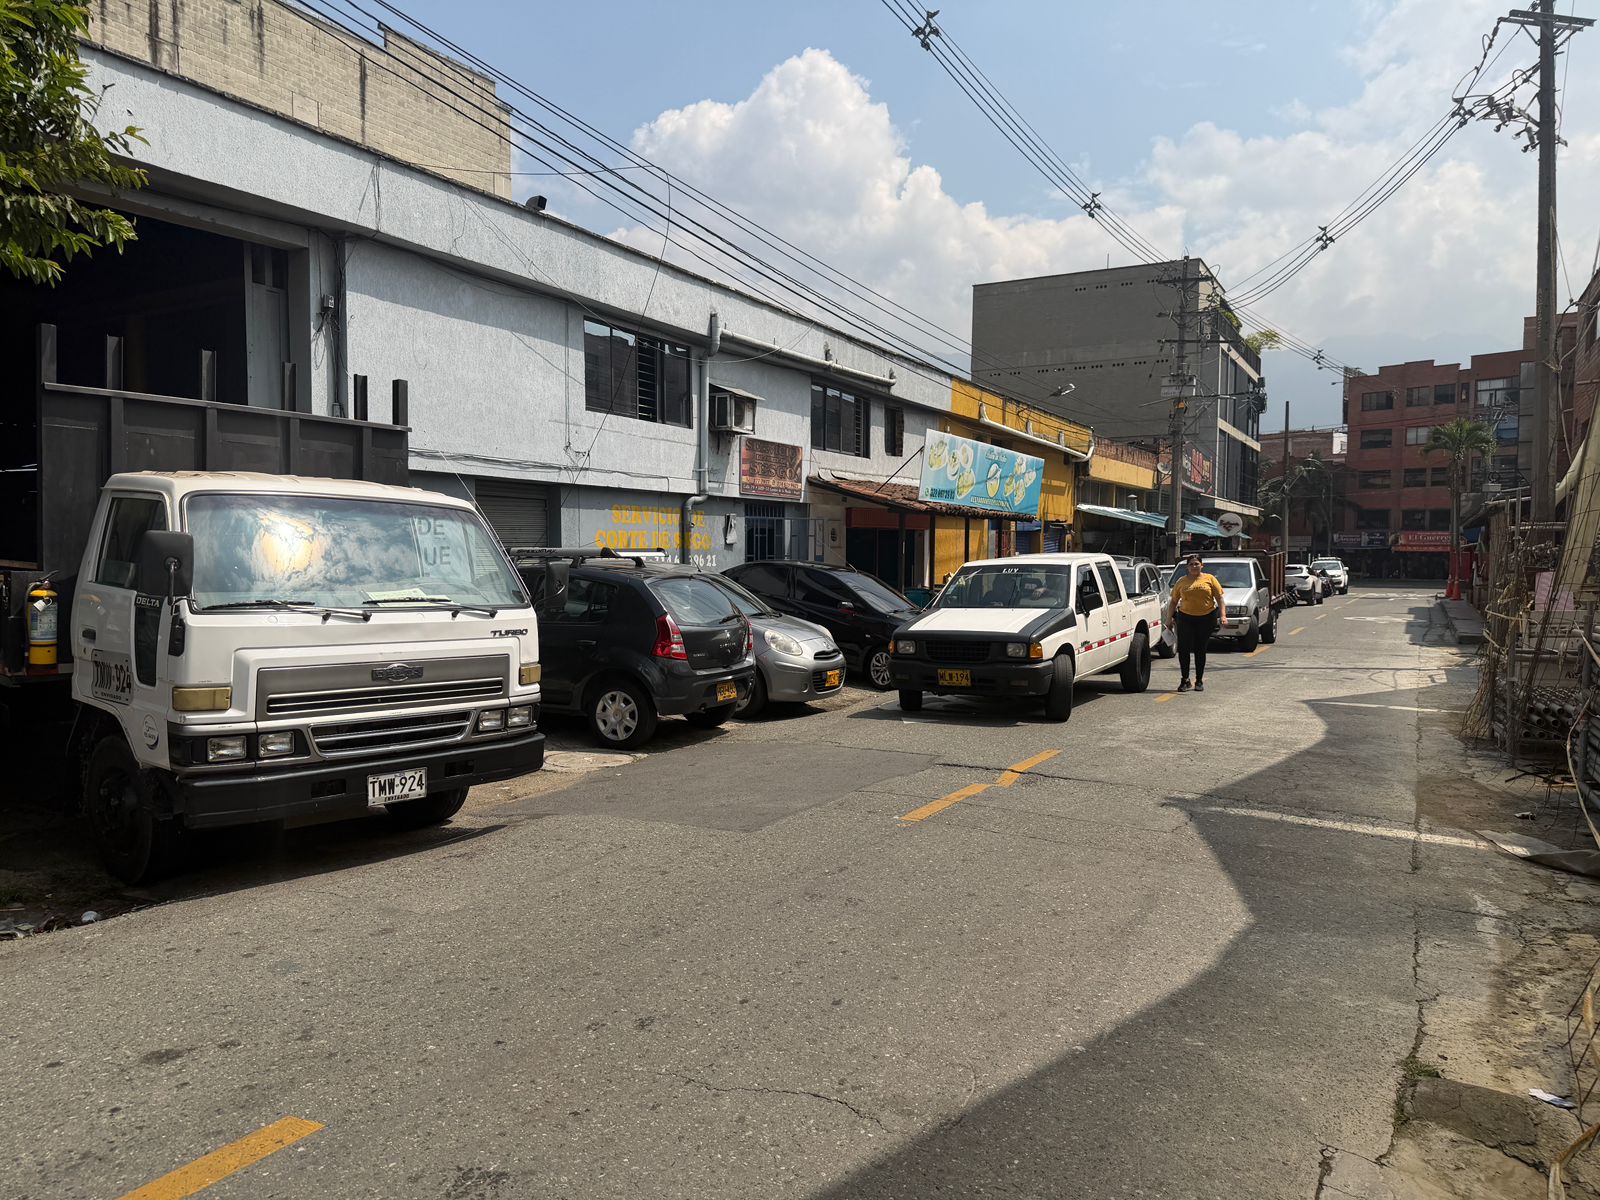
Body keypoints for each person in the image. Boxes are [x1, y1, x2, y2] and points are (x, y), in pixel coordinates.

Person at [1168, 553, 1224, 693]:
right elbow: (1174, 601)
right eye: (1191, 564)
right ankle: (1185, 680)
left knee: (1200, 648)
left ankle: (1199, 680)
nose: (1194, 566)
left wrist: (1223, 616)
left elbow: (1220, 598)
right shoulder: (1181, 581)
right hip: (1185, 618)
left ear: (1201, 565)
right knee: (1184, 649)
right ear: (1187, 567)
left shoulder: (1210, 579)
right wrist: (1169, 618)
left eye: (1196, 564)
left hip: (1206, 618)